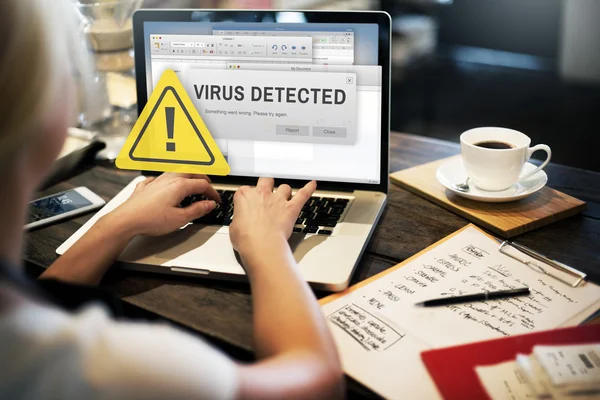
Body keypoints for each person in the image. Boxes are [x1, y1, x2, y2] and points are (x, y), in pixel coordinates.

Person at [0, 1, 343, 399]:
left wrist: (117, 223)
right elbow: (317, 382)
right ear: (43, 111)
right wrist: (266, 245)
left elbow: (44, 304)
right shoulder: (108, 368)